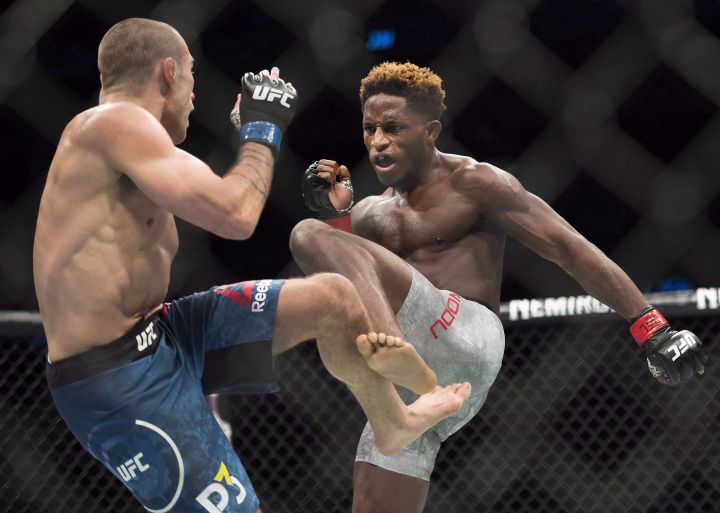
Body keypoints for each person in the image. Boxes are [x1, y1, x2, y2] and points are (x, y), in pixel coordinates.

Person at [33, 23, 472, 513]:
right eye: (193, 77)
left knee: (333, 298)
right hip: (116, 376)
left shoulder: (131, 146)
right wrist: (262, 128)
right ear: (169, 72)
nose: (196, 94)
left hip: (166, 334)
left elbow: (221, 195)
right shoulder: (114, 123)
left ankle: (393, 423)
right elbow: (236, 215)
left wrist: (251, 131)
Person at [290, 61, 709, 513]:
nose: (377, 142)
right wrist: (337, 216)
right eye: (369, 129)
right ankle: (399, 381)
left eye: (393, 128)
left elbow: (569, 248)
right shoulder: (368, 212)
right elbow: (345, 281)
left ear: (431, 131)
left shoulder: (474, 182)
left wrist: (651, 328)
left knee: (307, 234)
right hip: (419, 390)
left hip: (464, 331)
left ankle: (393, 354)